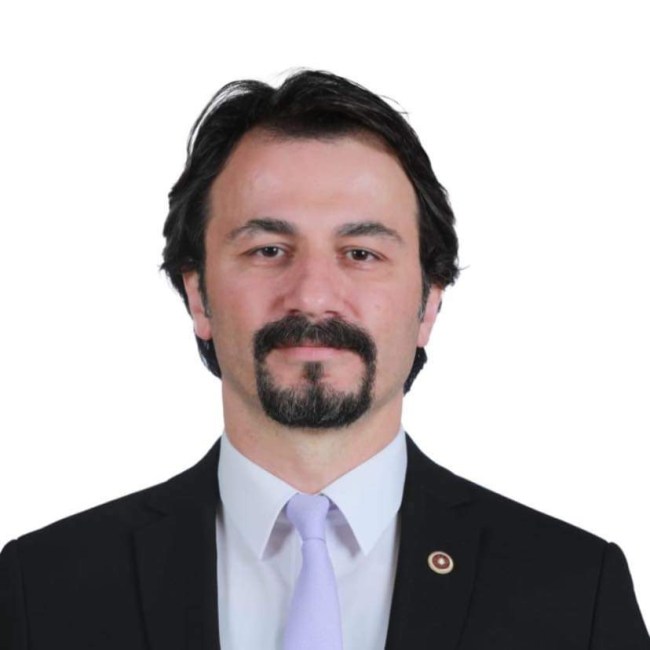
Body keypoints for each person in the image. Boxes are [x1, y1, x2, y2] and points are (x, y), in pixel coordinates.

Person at [0, 70, 647, 650]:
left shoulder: (575, 591)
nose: (311, 295)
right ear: (198, 295)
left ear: (428, 304)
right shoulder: (43, 586)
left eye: (361, 254)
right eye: (267, 250)